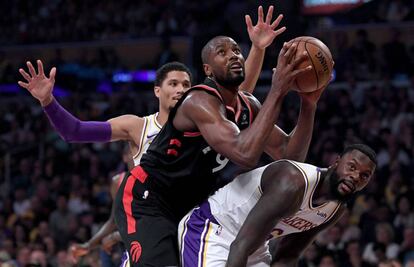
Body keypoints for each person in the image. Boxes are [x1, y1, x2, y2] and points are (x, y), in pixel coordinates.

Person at [18, 6, 288, 266]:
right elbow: (74, 131)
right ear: (157, 91)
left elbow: (241, 94)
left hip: (188, 208)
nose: (180, 89)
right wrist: (48, 101)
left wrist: (258, 48)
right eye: (173, 84)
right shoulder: (136, 126)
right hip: (151, 208)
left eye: (185, 83)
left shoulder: (206, 113)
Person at [112, 27, 324, 265]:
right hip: (149, 198)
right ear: (207, 70)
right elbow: (245, 155)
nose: (233, 55)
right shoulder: (198, 101)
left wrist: (308, 104)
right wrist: (277, 90)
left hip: (189, 203)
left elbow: (290, 155)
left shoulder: (248, 106)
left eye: (236, 50)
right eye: (222, 52)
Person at [178, 144, 377, 267]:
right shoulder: (293, 182)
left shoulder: (335, 208)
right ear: (336, 163)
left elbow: (289, 255)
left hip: (254, 245)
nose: (355, 176)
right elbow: (240, 245)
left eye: (364, 176)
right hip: (214, 229)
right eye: (352, 167)